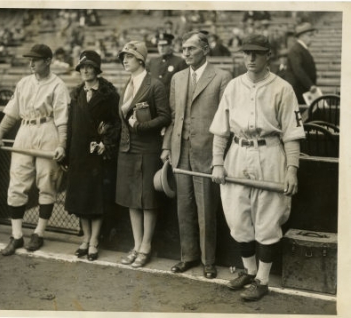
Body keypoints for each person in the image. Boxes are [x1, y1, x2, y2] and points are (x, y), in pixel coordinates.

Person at [209, 34, 305, 301]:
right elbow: (220, 131)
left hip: (270, 152)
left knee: (268, 218)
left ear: (268, 56)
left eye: (257, 53)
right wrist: (218, 162)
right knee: (238, 218)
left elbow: (292, 134)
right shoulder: (233, 87)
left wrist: (292, 169)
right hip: (237, 153)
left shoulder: (283, 88)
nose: (250, 58)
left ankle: (262, 280)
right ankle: (249, 272)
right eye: (246, 53)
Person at [161, 31, 232, 279]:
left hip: (207, 154)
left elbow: (225, 122)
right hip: (181, 153)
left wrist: (218, 158)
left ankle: (208, 261)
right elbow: (173, 117)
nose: (186, 52)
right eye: (184, 48)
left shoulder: (222, 77)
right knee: (184, 208)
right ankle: (188, 256)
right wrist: (167, 147)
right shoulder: (178, 78)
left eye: (191, 48)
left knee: (206, 210)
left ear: (206, 49)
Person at [0, 44, 70, 256]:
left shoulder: (58, 85)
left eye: (36, 59)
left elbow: (62, 120)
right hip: (25, 131)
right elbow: (11, 114)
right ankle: (16, 236)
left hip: (48, 130)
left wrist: (62, 144)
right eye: (30, 59)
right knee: (17, 183)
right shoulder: (24, 83)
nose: (31, 63)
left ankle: (39, 233)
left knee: (47, 182)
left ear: (48, 61)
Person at [116, 41, 171, 268]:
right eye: (123, 57)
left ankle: (146, 246)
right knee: (132, 200)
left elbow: (165, 117)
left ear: (140, 59)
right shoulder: (127, 85)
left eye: (129, 56)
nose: (125, 60)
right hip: (127, 150)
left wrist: (140, 127)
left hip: (147, 150)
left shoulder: (154, 85)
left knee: (147, 201)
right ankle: (136, 245)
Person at [64, 51, 120, 261]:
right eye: (82, 67)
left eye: (89, 67)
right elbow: (70, 126)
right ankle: (86, 239)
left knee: (96, 200)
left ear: (97, 69)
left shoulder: (109, 95)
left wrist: (106, 142)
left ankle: (95, 240)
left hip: (97, 154)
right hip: (79, 153)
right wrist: (67, 154)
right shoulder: (76, 94)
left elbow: (116, 124)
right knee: (81, 200)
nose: (85, 71)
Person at [284, 22, 317, 104]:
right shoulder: (296, 49)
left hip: (303, 90)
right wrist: (310, 85)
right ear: (302, 36)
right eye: (310, 35)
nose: (312, 38)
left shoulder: (302, 49)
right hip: (297, 91)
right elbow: (298, 70)